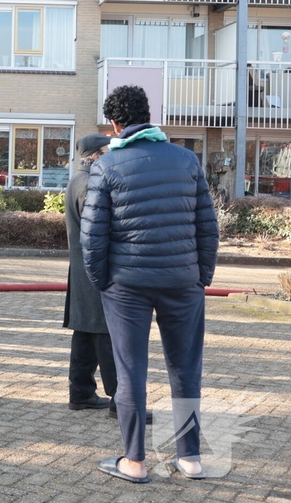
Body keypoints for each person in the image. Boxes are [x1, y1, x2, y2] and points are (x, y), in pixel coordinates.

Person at [81, 85, 218, 484]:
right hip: (183, 282)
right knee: (186, 368)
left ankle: (135, 462)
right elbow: (208, 228)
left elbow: (93, 236)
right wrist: (200, 277)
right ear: (149, 114)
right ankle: (190, 458)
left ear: (114, 123)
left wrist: (103, 281)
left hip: (127, 285)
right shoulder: (187, 159)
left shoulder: (107, 166)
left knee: (130, 372)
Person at [63, 134, 117, 413]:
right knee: (106, 333)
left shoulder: (78, 180)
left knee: (85, 331)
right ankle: (122, 401)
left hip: (82, 271)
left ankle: (81, 392)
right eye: (107, 151)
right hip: (95, 270)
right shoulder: (89, 185)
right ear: (96, 155)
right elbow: (96, 232)